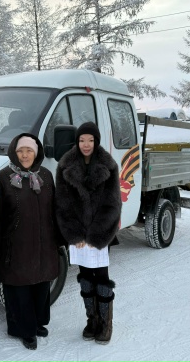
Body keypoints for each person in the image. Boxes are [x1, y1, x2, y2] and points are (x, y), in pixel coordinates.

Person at [0, 133, 62, 350]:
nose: (24, 155)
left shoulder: (46, 175)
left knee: (41, 285)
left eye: (29, 150)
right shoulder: (4, 177)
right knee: (19, 289)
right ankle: (23, 330)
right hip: (16, 245)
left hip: (44, 243)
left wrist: (60, 238)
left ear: (36, 152)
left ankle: (38, 323)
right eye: (20, 151)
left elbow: (55, 209)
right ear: (14, 152)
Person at [55, 122, 122, 344]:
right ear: (77, 141)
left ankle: (106, 324)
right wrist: (75, 235)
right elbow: (62, 204)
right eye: (82, 140)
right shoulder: (65, 166)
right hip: (79, 236)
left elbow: (113, 204)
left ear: (96, 141)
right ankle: (92, 320)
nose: (86, 144)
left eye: (90, 140)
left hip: (99, 235)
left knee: (101, 277)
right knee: (85, 276)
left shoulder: (108, 166)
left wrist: (97, 235)